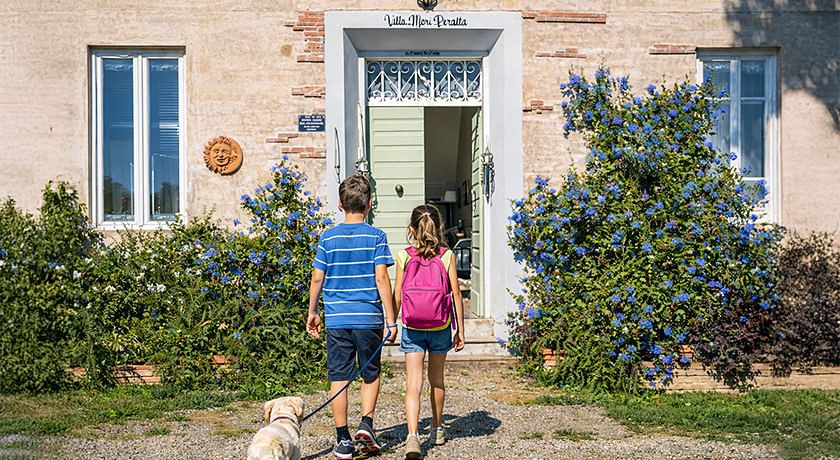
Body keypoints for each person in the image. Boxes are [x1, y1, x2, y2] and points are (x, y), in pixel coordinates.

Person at [306, 174, 398, 460]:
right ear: (369, 204)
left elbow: (317, 278)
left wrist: (312, 312)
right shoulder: (376, 237)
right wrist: (391, 319)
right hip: (368, 318)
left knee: (339, 375)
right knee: (370, 373)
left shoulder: (328, 238)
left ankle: (343, 439)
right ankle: (367, 425)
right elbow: (382, 278)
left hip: (336, 319)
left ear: (339, 204)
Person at [394, 204, 466, 460]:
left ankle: (413, 436)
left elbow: (398, 294)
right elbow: (456, 293)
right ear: (440, 228)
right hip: (440, 325)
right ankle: (436, 429)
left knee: (413, 383)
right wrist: (460, 330)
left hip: (412, 326)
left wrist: (392, 324)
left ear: (411, 229)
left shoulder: (403, 256)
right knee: (437, 379)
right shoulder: (447, 256)